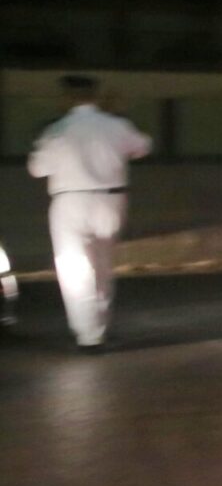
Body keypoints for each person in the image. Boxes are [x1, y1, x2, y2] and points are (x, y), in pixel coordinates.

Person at [26, 75, 153, 350]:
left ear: (67, 97)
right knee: (103, 266)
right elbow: (143, 146)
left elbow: (37, 169)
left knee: (74, 267)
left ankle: (89, 335)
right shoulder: (116, 124)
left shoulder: (57, 129)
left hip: (70, 199)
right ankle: (101, 325)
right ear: (95, 95)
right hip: (111, 199)